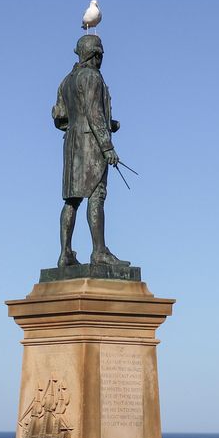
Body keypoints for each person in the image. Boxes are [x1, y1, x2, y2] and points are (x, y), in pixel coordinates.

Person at [52, 34, 128, 269]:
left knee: (71, 200)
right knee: (97, 195)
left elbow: (59, 117)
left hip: (72, 144)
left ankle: (65, 253)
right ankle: (99, 251)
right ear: (95, 54)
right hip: (91, 145)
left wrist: (106, 123)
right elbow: (94, 113)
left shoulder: (66, 81)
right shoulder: (92, 77)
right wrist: (107, 146)